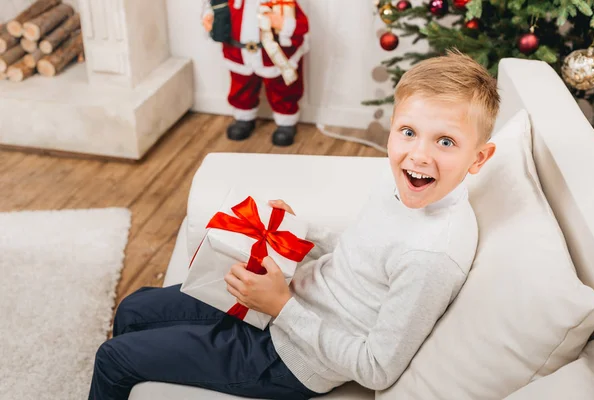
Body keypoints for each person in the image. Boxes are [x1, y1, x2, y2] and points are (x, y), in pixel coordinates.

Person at [88, 49, 500, 400]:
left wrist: (280, 307)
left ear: (478, 158)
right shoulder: (405, 185)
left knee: (114, 358)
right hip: (288, 298)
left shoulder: (431, 256)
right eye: (408, 132)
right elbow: (362, 253)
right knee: (135, 306)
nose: (419, 154)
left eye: (445, 142)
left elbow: (377, 368)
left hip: (290, 357)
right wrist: (300, 231)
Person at [202, 0, 309, 146]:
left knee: (282, 89)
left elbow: (301, 26)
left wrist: (283, 23)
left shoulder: (283, 3)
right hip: (239, 54)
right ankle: (244, 118)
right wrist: (210, 20)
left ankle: (286, 121)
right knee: (241, 87)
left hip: (273, 57)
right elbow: (215, 10)